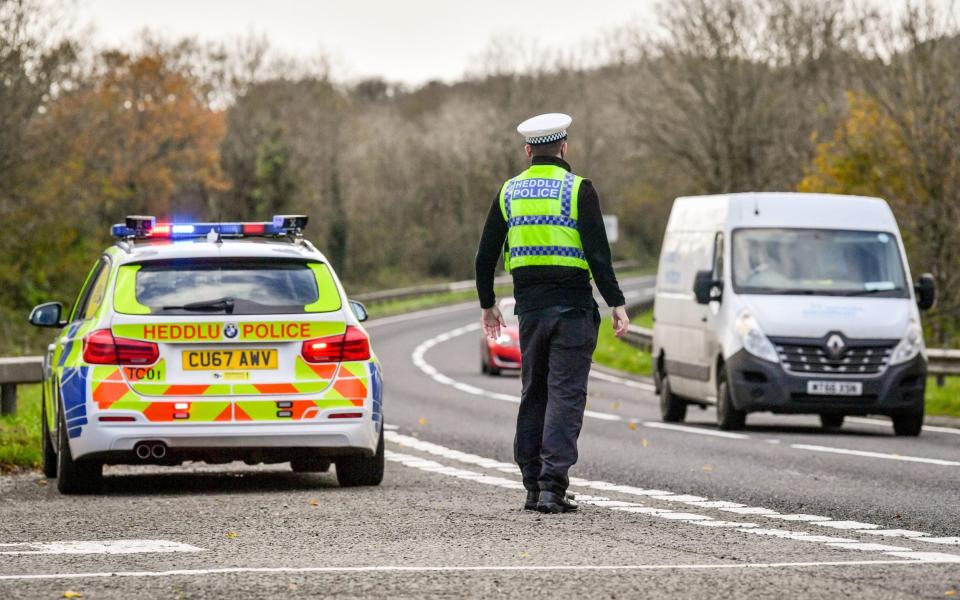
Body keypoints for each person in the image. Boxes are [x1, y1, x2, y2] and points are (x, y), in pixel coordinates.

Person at [474, 112, 629, 514]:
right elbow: (599, 254)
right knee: (565, 396)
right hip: (574, 310)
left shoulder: (509, 192)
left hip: (530, 313)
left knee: (534, 394)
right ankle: (552, 488)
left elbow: (485, 255)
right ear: (565, 148)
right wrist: (616, 304)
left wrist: (488, 303)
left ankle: (532, 485)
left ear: (528, 151)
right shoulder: (580, 189)